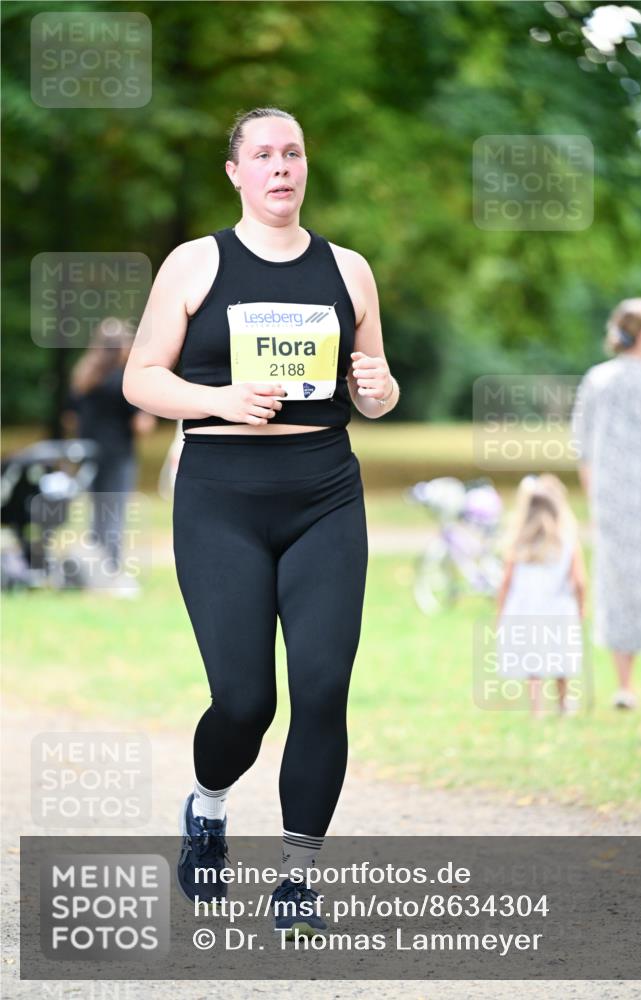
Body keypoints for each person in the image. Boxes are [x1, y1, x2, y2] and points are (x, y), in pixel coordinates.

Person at [122, 107, 400, 935]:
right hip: (221, 494)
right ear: (236, 172)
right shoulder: (195, 263)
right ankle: (206, 807)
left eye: (294, 154)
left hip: (323, 492)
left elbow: (374, 388)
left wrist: (379, 394)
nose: (282, 167)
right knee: (245, 700)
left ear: (305, 168)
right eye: (265, 155)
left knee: (322, 688)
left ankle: (297, 882)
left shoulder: (348, 270)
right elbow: (141, 378)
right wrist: (217, 400)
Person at [571, 298, 641, 711]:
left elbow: (583, 444)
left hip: (611, 499)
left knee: (617, 585)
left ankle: (624, 686)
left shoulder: (598, 379)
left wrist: (594, 497)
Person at [67, 317, 156, 590]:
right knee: (115, 513)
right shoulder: (124, 381)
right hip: (118, 454)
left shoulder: (84, 376)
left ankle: (94, 571)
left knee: (96, 514)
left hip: (88, 455)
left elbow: (70, 417)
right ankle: (114, 575)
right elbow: (142, 425)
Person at [495, 474, 586, 718]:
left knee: (532, 657)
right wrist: (581, 606)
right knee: (559, 656)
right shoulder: (567, 541)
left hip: (525, 608)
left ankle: (537, 707)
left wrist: (501, 610)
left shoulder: (518, 542)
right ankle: (564, 702)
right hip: (558, 608)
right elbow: (579, 580)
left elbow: (506, 581)